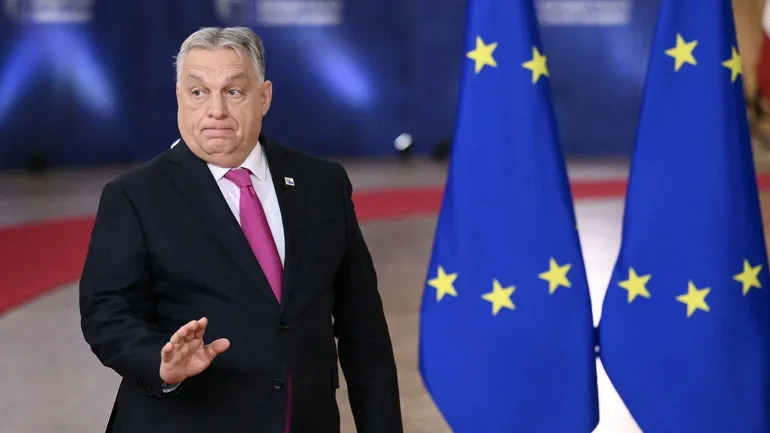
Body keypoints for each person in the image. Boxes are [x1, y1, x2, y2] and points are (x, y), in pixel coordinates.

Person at [78, 26, 403, 433]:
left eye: (233, 91)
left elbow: (364, 329)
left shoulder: (323, 184)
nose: (215, 109)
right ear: (179, 97)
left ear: (264, 97)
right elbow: (105, 312)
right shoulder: (135, 196)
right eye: (198, 92)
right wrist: (159, 360)